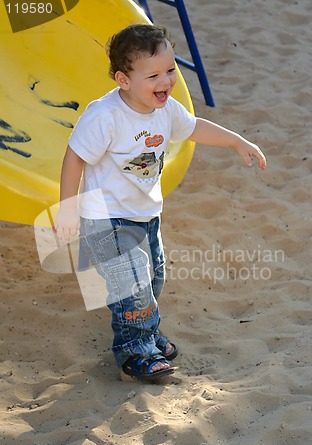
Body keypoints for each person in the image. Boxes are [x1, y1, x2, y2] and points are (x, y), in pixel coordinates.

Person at [53, 24, 266, 381]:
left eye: (170, 70)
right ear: (124, 80)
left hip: (146, 215)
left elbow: (194, 127)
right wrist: (67, 207)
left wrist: (236, 141)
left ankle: (144, 335)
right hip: (107, 219)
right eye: (153, 75)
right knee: (133, 285)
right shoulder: (105, 115)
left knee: (153, 279)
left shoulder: (165, 110)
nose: (165, 81)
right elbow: (75, 156)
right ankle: (135, 353)